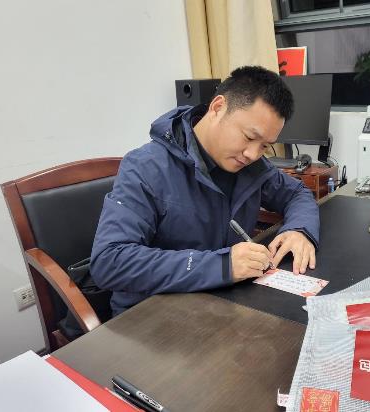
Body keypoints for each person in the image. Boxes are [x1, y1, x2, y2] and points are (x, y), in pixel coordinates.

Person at [91, 66, 320, 315]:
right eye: (248, 137)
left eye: (265, 146)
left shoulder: (251, 167)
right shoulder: (146, 167)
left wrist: (299, 230)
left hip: (221, 305)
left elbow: (296, 193)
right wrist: (221, 266)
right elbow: (109, 261)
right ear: (218, 107)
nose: (253, 154)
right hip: (152, 315)